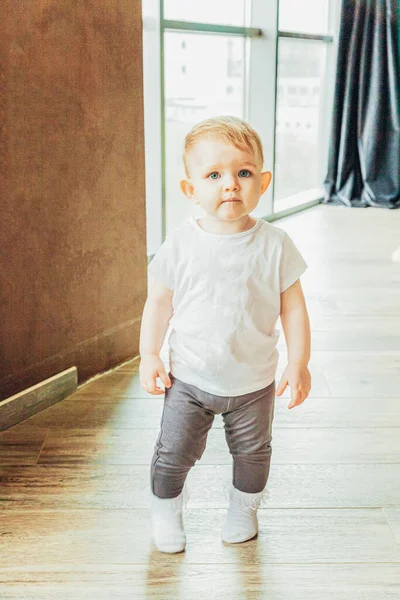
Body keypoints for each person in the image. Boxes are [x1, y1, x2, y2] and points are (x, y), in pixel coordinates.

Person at [139, 115, 311, 554]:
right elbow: (158, 303)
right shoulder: (180, 244)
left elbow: (294, 307)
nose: (230, 184)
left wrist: (298, 362)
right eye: (214, 175)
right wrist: (149, 354)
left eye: (243, 172)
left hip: (254, 383)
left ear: (263, 181)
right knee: (172, 454)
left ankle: (243, 509)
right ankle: (166, 510)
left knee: (254, 456)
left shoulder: (276, 245)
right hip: (190, 380)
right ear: (190, 189)